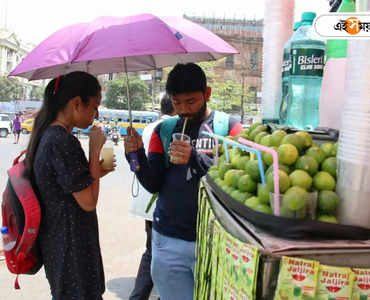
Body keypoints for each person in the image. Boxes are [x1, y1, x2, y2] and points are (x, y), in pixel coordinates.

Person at [124, 63, 242, 300]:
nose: (184, 110)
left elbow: (237, 185)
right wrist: (134, 156)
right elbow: (152, 183)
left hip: (215, 242)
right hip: (168, 242)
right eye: (177, 103)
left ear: (207, 94)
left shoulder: (230, 128)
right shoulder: (163, 131)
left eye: (191, 101)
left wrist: (195, 158)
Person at [24, 71, 115, 300]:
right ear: (76, 103)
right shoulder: (62, 141)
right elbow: (88, 202)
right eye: (94, 107)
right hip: (72, 247)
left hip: (60, 243)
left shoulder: (50, 135)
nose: (95, 115)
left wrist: (96, 169)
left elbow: (68, 186)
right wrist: (94, 151)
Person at [128, 94, 176, 300]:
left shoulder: (148, 128)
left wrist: (132, 158)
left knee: (153, 250)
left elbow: (135, 166)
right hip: (158, 202)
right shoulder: (170, 129)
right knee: (156, 252)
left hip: (147, 202)